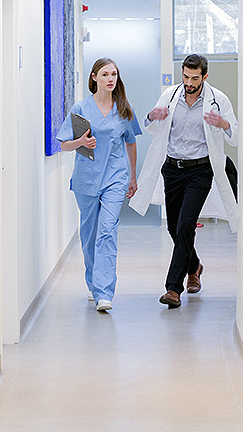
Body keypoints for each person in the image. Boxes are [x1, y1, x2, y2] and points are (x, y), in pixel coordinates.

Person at [128, 54, 238, 308]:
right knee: (174, 227)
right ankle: (195, 265)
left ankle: (173, 288)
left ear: (205, 76)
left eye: (195, 78)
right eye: (186, 77)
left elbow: (236, 135)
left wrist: (223, 123)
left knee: (186, 224)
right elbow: (153, 128)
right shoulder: (170, 95)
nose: (189, 82)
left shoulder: (218, 100)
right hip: (172, 169)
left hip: (200, 171)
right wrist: (152, 116)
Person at [57, 58, 142, 312]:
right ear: (94, 77)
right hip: (87, 180)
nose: (110, 79)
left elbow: (130, 141)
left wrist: (132, 176)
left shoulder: (124, 108)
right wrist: (81, 142)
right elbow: (63, 144)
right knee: (89, 235)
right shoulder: (81, 108)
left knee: (107, 231)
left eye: (114, 74)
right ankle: (94, 284)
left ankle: (105, 292)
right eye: (105, 74)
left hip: (115, 178)